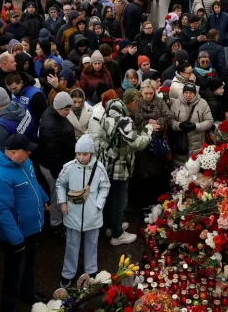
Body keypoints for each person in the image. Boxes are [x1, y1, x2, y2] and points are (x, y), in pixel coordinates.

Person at [0, 134, 47, 311]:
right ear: (12, 153)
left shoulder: (25, 162)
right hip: (16, 235)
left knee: (28, 264)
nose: (29, 152)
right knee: (13, 273)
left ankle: (27, 293)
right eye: (25, 150)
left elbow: (33, 183)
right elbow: (2, 212)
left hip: (31, 229)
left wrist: (43, 198)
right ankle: (8, 307)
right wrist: (16, 239)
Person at [88, 89, 151, 245]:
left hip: (107, 163)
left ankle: (111, 226)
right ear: (133, 103)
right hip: (120, 166)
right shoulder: (124, 121)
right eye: (137, 103)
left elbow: (102, 140)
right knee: (120, 200)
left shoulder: (107, 112)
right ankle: (117, 234)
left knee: (110, 197)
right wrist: (148, 130)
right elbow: (138, 143)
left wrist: (111, 152)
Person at [55, 134, 110, 288]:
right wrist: (62, 202)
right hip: (73, 212)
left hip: (92, 214)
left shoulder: (99, 168)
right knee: (72, 243)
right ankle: (68, 273)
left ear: (91, 153)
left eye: (84, 154)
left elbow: (105, 186)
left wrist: (98, 205)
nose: (81, 157)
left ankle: (91, 270)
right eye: (78, 154)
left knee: (92, 241)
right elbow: (60, 184)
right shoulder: (69, 167)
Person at [36, 92, 78, 229]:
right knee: (56, 195)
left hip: (56, 164)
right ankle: (56, 223)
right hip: (53, 168)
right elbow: (51, 153)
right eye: (66, 110)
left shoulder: (51, 114)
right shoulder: (51, 126)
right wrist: (57, 174)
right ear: (58, 108)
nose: (69, 112)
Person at [168, 83, 214, 168]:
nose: (188, 95)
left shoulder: (203, 103)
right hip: (180, 144)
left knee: (195, 171)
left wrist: (196, 126)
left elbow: (210, 121)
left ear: (195, 93)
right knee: (180, 172)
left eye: (191, 93)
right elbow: (170, 120)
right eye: (186, 92)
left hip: (197, 145)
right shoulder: (176, 103)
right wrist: (179, 125)